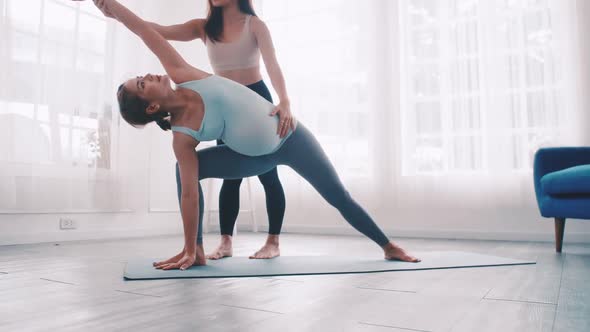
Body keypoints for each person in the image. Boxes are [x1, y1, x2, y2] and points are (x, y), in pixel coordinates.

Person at [90, 0, 420, 271]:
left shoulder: (182, 73)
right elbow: (189, 194)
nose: (147, 75)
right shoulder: (182, 137)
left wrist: (108, 4)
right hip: (248, 157)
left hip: (288, 137)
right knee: (183, 172)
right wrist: (189, 247)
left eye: (140, 77)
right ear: (151, 108)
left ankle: (388, 246)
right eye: (142, 84)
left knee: (338, 196)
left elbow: (146, 31)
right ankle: (198, 251)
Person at [144, 0, 292, 260]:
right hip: (225, 107)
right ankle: (226, 242)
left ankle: (273, 242)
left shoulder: (255, 25)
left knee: (269, 174)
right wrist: (114, 12)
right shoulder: (203, 28)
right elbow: (159, 31)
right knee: (230, 177)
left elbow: (272, 64)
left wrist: (285, 100)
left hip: (257, 101)